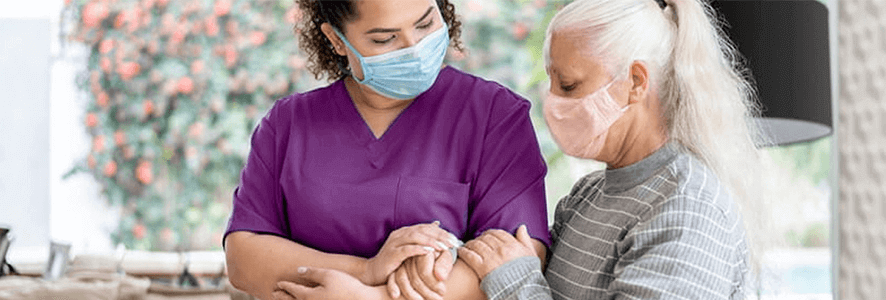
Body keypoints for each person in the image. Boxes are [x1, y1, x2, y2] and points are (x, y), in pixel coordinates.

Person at [222, 0, 550, 300]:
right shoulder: (289, 124)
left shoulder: (494, 116)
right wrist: (365, 270)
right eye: (385, 39)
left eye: (425, 24)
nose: (414, 48)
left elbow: (516, 260)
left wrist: (369, 298)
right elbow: (244, 257)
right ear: (337, 39)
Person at [450, 0, 767, 299]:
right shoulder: (587, 195)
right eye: (552, 83)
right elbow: (514, 262)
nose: (552, 103)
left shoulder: (688, 209)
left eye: (569, 85)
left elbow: (516, 274)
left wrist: (513, 283)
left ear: (635, 81)